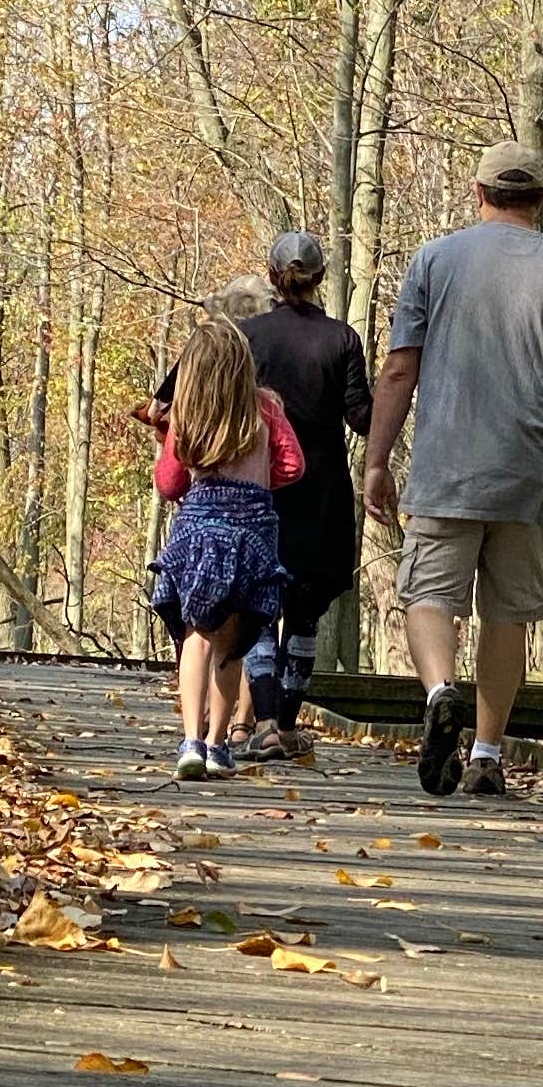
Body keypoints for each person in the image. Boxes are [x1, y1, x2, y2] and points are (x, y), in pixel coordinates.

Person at [362, 139, 543, 799]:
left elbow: (398, 369)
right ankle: (486, 753)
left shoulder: (434, 261)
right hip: (530, 472)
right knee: (510, 616)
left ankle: (441, 690)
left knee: (428, 597)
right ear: (538, 198)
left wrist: (377, 459)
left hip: (448, 462)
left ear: (479, 195)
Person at [148, 311, 302, 781]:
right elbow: (294, 466)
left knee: (196, 635)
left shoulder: (186, 416)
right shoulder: (267, 409)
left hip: (199, 531)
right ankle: (219, 743)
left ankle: (190, 740)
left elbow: (169, 483)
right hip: (252, 532)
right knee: (233, 646)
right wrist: (259, 481)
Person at [239, 229, 372, 756]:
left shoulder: (248, 335)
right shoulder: (342, 340)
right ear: (320, 280)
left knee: (259, 602)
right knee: (305, 611)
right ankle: (287, 724)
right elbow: (360, 418)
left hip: (261, 487)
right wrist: (399, 394)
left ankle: (266, 720)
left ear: (273, 276)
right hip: (321, 491)